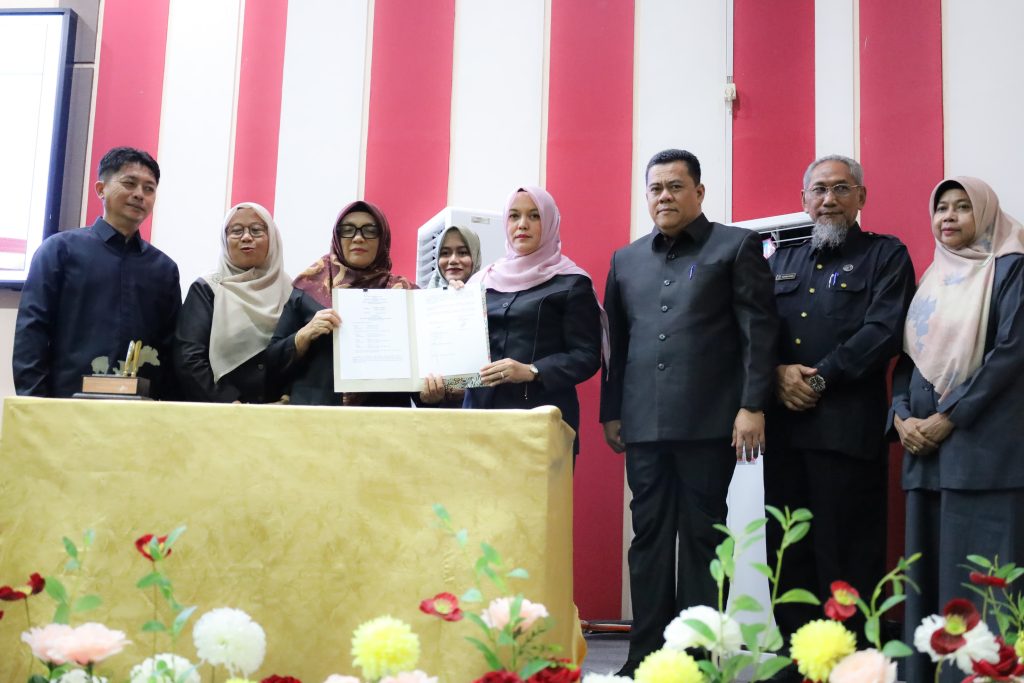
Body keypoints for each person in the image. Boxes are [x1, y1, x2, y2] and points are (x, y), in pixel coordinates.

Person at [600, 149, 778, 675]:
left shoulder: (735, 246)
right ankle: (646, 658)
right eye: (655, 188)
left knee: (704, 539)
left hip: (709, 422)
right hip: (643, 425)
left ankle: (698, 659)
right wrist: (612, 411)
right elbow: (617, 345)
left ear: (699, 192)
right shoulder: (625, 259)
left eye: (675, 186)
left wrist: (752, 405)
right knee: (649, 540)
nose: (664, 196)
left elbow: (758, 332)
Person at [766, 154, 916, 655]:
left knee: (847, 554)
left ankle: (850, 660)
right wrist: (776, 373)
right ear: (804, 199)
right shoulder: (778, 261)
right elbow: (756, 331)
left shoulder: (886, 255)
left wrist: (820, 378)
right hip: (786, 434)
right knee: (788, 552)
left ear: (861, 197)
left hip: (847, 434)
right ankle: (799, 656)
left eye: (841, 188)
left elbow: (884, 331)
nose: (829, 199)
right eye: (819, 190)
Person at [893, 177, 1024, 683]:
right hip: (926, 458)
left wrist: (949, 416)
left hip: (983, 458)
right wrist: (900, 415)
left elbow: (1011, 354)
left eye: (963, 207)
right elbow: (908, 358)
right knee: (928, 584)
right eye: (941, 207)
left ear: (986, 213)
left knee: (982, 586)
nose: (948, 216)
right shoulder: (934, 277)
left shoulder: (1011, 269)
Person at [13, 146, 181, 398]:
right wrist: (35, 403)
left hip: (141, 410)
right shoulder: (59, 250)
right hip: (66, 404)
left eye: (149, 189)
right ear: (101, 189)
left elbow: (170, 348)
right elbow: (32, 331)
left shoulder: (164, 268)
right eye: (129, 183)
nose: (139, 194)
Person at [463, 186, 603, 454]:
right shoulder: (480, 282)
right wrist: (453, 304)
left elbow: (586, 356)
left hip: (539, 426)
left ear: (549, 221)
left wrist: (532, 370)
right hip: (478, 423)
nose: (522, 225)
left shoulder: (572, 282)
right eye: (514, 216)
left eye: (534, 215)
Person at [267, 200, 427, 407]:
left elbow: (423, 381)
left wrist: (432, 394)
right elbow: (270, 364)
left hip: (384, 418)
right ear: (337, 237)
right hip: (316, 417)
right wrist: (305, 334)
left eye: (370, 230)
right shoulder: (308, 290)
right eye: (348, 230)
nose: (358, 237)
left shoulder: (405, 296)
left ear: (383, 239)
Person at [174, 202, 292, 403]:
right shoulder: (209, 288)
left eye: (256, 230)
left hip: (280, 410)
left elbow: (298, 353)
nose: (246, 237)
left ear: (272, 238)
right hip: (222, 411)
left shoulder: (289, 290)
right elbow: (189, 357)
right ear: (225, 239)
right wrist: (228, 402)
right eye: (236, 231)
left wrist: (290, 396)